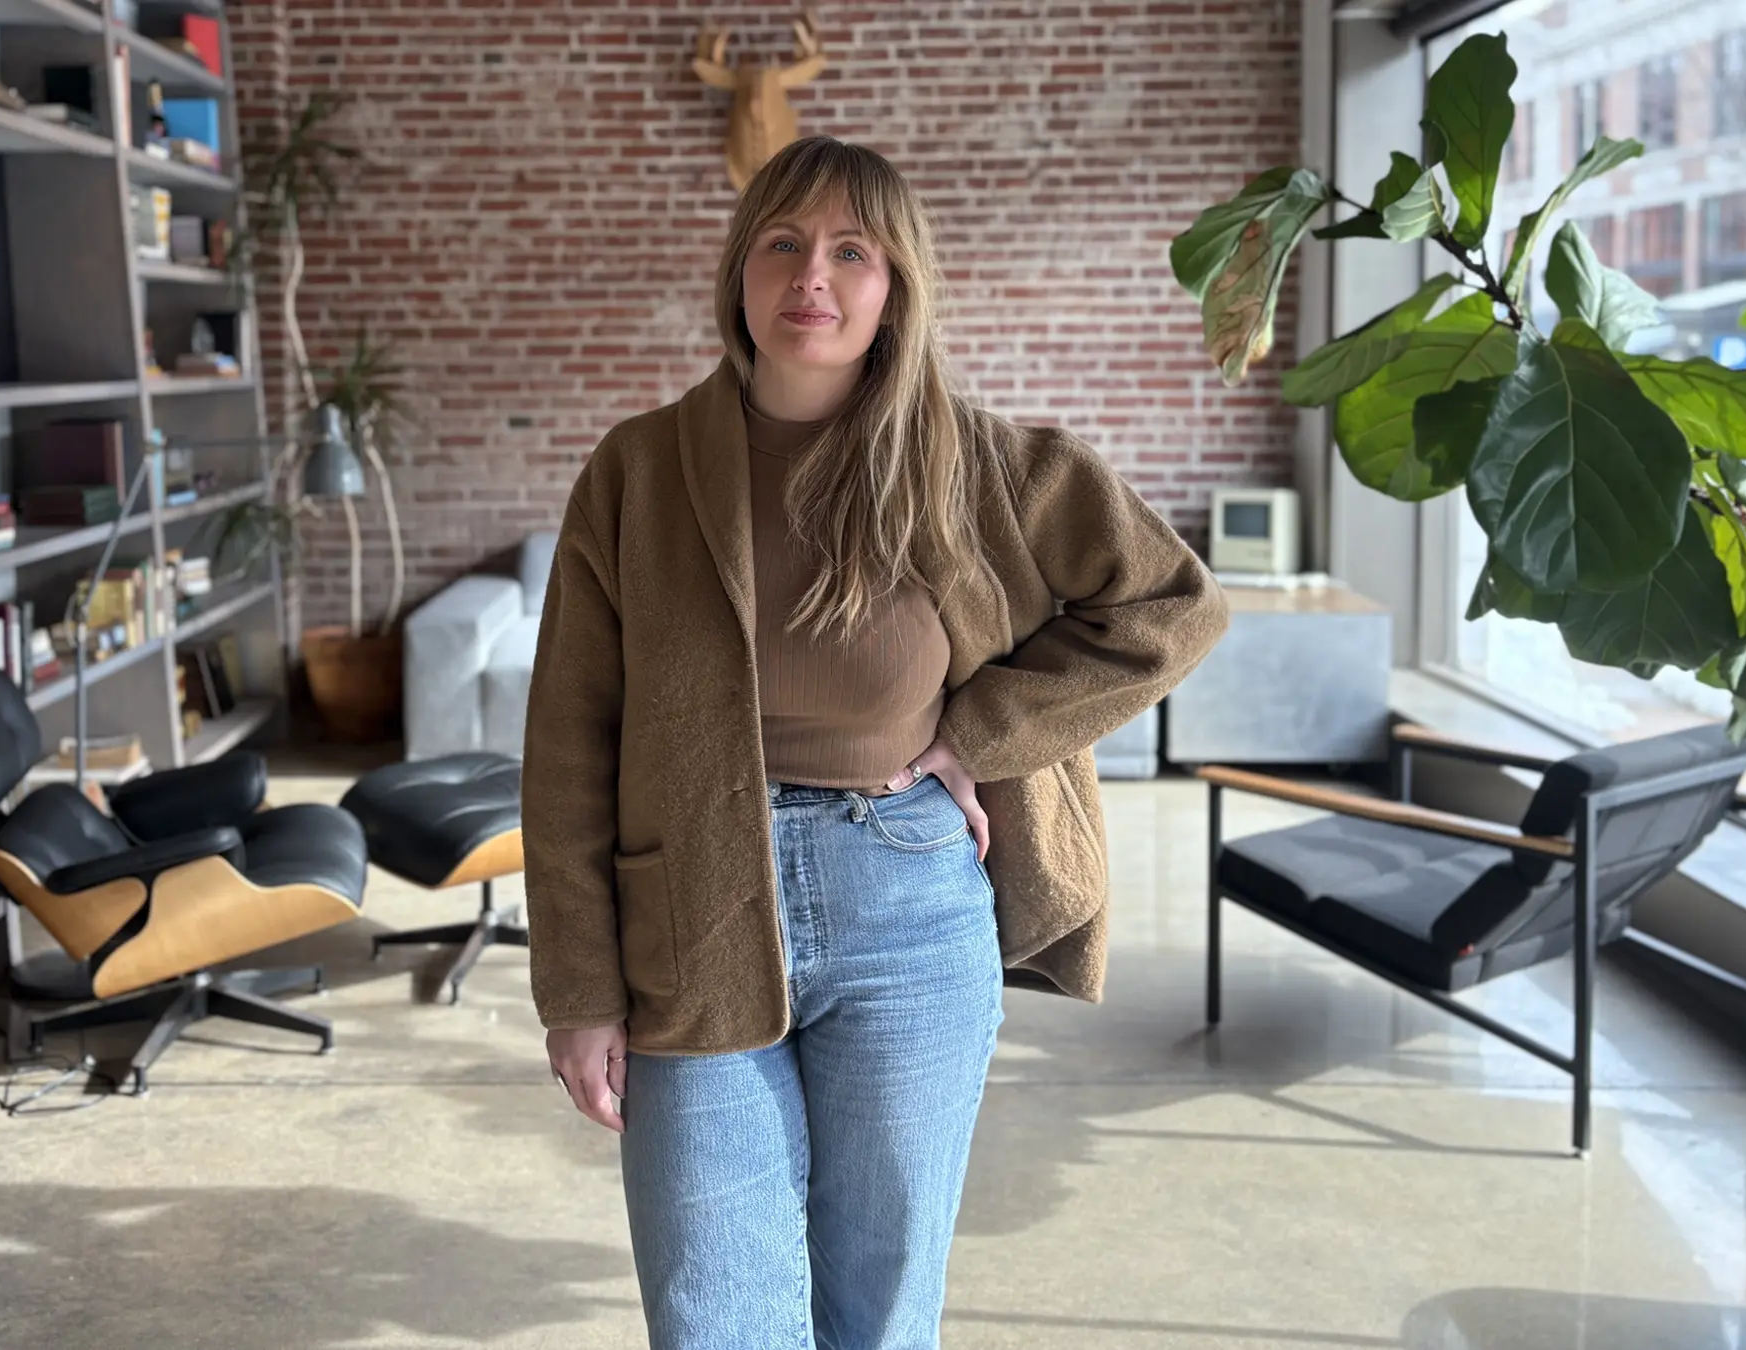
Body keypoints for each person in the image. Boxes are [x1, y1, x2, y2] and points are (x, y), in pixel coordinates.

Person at [519, 136, 1230, 1350]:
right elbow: (570, 744)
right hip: (690, 907)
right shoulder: (637, 472)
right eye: (784, 243)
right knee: (711, 1300)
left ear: (896, 285)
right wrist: (578, 992)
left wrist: (980, 731)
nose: (814, 276)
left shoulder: (980, 463)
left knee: (881, 1298)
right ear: (740, 271)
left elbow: (1175, 604)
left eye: (854, 251)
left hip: (908, 896)